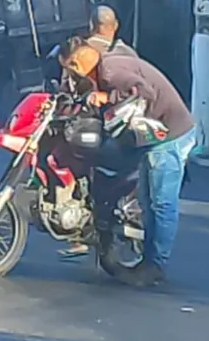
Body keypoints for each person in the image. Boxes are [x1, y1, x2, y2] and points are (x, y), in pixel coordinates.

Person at [84, 43, 197, 287]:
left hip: (169, 136)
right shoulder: (108, 65)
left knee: (162, 204)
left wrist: (108, 97)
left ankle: (156, 265)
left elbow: (145, 92)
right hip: (157, 137)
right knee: (147, 201)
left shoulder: (109, 71)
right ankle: (148, 261)